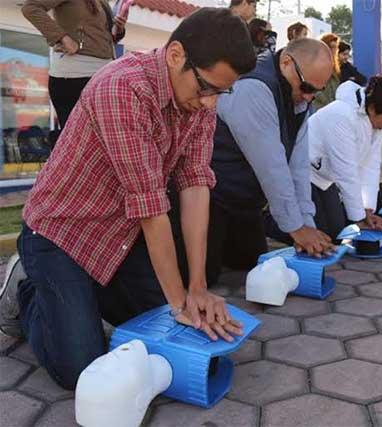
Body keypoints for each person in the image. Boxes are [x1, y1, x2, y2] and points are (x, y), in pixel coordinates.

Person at [0, 8, 256, 390]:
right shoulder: (122, 87)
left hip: (120, 235)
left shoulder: (199, 102)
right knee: (81, 369)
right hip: (61, 234)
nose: (211, 104)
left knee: (166, 330)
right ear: (175, 55)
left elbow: (195, 185)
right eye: (207, 88)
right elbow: (152, 208)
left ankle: (77, 297)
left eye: (222, 91)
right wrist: (180, 302)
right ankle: (26, 291)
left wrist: (197, 287)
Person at [193, 38, 335, 285]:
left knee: (249, 262)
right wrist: (296, 230)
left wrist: (306, 226)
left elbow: (298, 167)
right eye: (306, 87)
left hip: (245, 202)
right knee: (206, 275)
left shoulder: (299, 97)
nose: (310, 98)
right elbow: (272, 168)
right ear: (287, 62)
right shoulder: (254, 88)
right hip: (211, 197)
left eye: (317, 91)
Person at [308, 77, 382, 240]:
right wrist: (360, 219)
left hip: (326, 180)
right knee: (322, 234)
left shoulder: (374, 123)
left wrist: (368, 209)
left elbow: (371, 165)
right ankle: (268, 221)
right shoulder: (341, 115)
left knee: (336, 233)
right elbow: (346, 172)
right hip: (305, 174)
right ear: (373, 109)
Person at [22, 0, 128, 133]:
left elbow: (100, 36)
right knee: (79, 140)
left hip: (102, 74)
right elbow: (30, 7)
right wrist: (62, 38)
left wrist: (119, 29)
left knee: (103, 140)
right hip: (75, 75)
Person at [312, 33, 342, 111]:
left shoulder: (333, 65)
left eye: (336, 47)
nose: (334, 50)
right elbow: (314, 88)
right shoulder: (317, 63)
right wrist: (328, 103)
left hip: (331, 107)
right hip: (320, 107)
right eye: (332, 47)